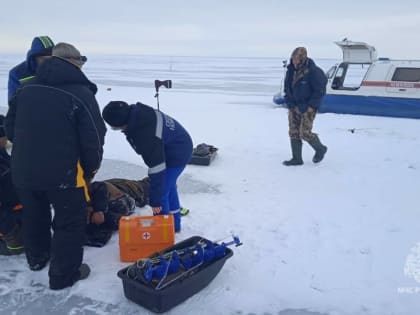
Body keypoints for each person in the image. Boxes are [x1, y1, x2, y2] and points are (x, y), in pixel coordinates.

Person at [5, 42, 106, 290]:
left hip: (24, 172)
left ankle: (37, 259)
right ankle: (63, 275)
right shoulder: (81, 94)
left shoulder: (26, 89)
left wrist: (28, 155)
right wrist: (90, 172)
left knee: (34, 215)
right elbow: (94, 138)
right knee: (69, 223)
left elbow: (10, 128)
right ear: (73, 63)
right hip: (65, 175)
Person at [102, 101, 193, 232]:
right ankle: (175, 226)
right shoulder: (139, 115)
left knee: (161, 193)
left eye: (116, 128)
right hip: (178, 145)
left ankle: (164, 233)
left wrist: (155, 202)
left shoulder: (145, 133)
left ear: (122, 123)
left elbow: (157, 169)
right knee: (169, 186)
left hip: (177, 154)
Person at [283, 47, 328, 166]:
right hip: (293, 106)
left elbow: (320, 91)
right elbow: (287, 88)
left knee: (305, 132)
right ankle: (296, 158)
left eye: (297, 59)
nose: (294, 61)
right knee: (293, 132)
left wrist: (312, 106)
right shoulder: (290, 71)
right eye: (293, 58)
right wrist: (289, 103)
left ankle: (320, 149)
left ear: (303, 59)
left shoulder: (314, 71)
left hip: (307, 107)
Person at [85, 177, 149, 247]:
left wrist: (98, 210)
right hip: (123, 191)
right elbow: (101, 237)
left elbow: (100, 186)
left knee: (145, 188)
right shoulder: (101, 220)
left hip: (122, 189)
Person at [0, 114, 24, 255]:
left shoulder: (3, 154)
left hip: (15, 211)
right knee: (22, 246)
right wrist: (11, 234)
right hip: (6, 223)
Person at [8, 36, 54, 101]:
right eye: (43, 59)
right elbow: (13, 101)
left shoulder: (59, 70)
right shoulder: (17, 73)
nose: (47, 62)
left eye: (51, 58)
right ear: (34, 57)